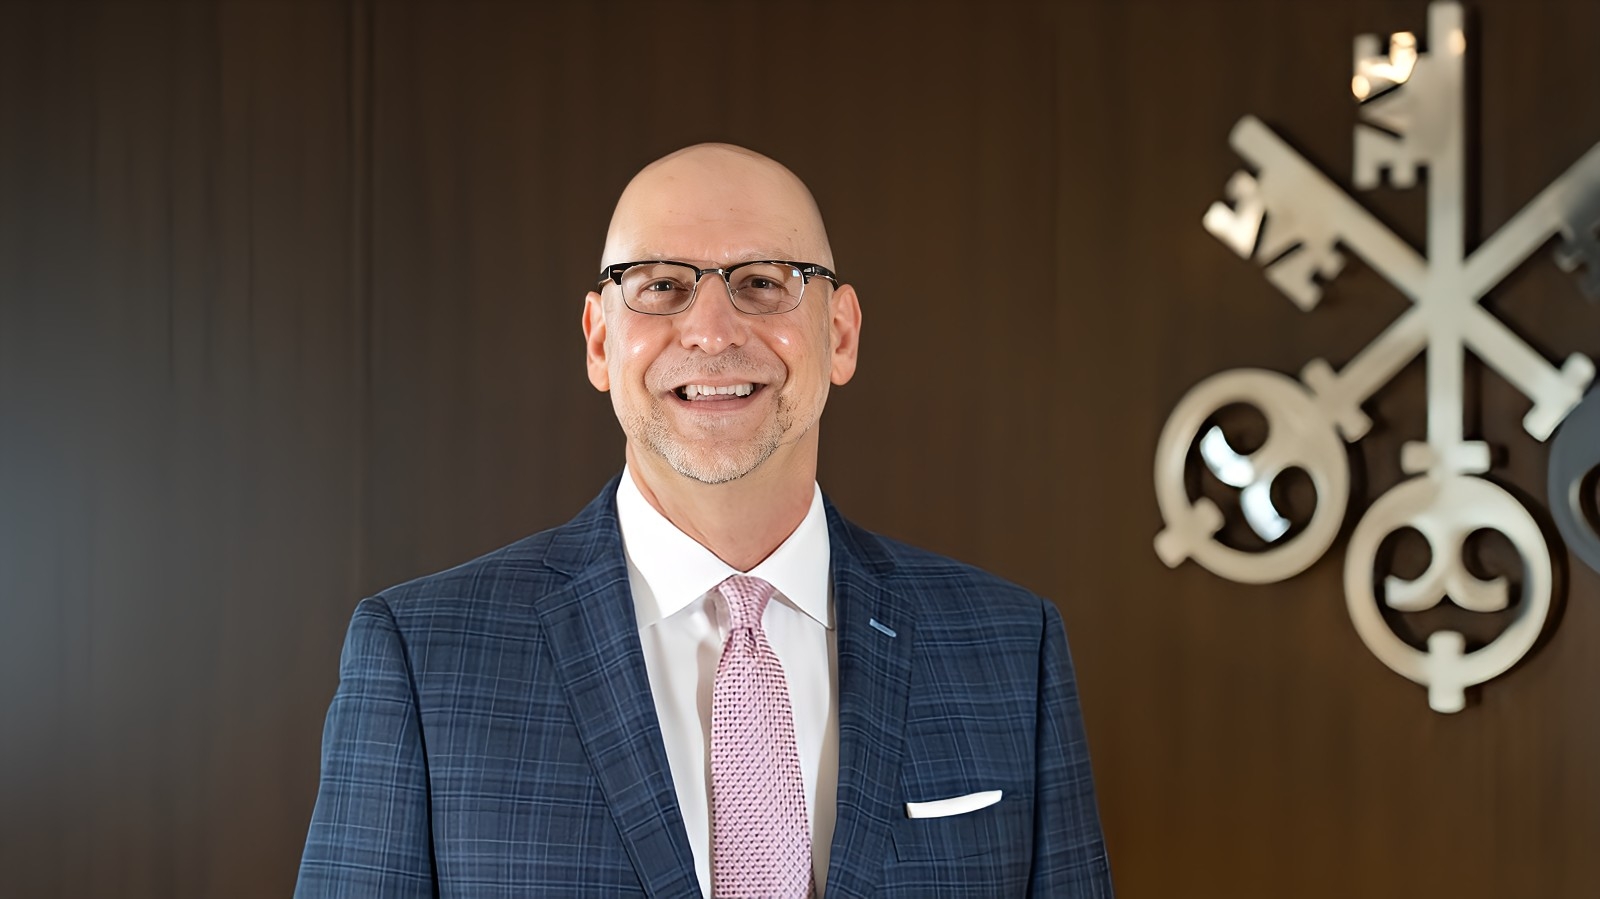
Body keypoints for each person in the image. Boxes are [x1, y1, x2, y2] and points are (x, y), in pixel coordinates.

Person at [295, 143, 1113, 898]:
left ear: (840, 332)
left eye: (763, 281)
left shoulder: (1013, 649)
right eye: (660, 284)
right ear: (599, 340)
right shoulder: (423, 659)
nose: (714, 330)